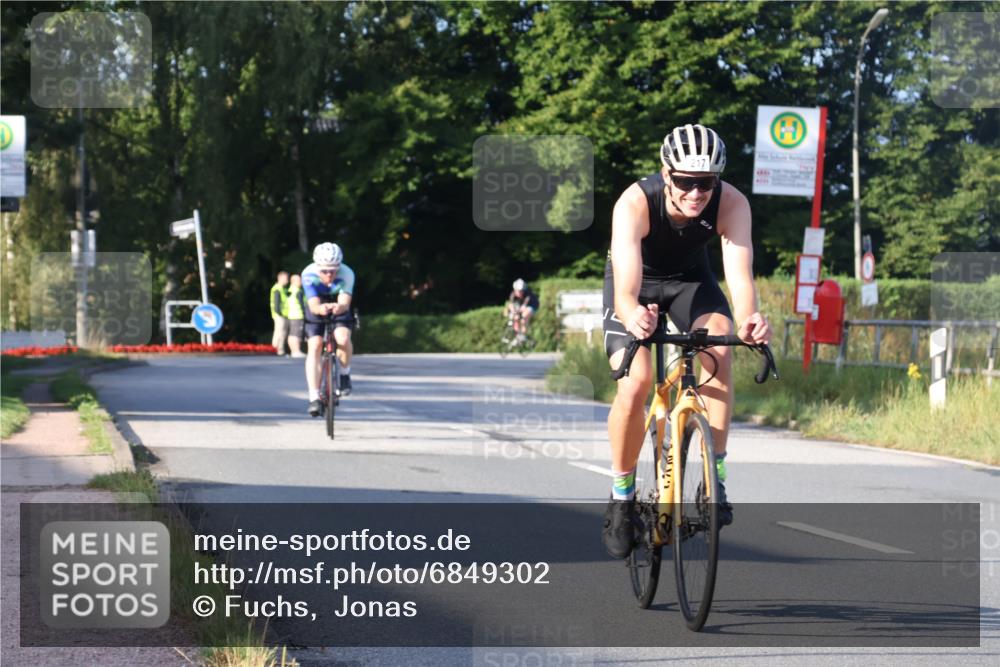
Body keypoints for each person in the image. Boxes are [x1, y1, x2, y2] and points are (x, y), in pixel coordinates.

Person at [601, 123, 772, 559]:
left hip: (691, 283)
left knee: (719, 346)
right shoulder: (635, 202)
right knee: (636, 382)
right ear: (666, 173)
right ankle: (622, 497)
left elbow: (739, 275)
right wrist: (632, 313)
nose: (696, 193)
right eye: (685, 182)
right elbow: (624, 290)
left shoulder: (731, 203)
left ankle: (715, 478)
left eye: (707, 183)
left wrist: (750, 318)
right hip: (635, 284)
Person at [302, 242, 356, 416]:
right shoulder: (308, 274)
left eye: (333, 270)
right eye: (324, 271)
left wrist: (338, 307)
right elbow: (313, 304)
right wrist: (320, 309)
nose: (329, 274)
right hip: (317, 304)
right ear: (317, 267)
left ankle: (344, 373)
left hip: (339, 304)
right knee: (315, 344)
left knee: (342, 338)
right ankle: (314, 397)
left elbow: (345, 303)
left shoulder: (347, 274)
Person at [270, 271, 290, 356]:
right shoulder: (277, 288)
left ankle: (280, 350)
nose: (287, 281)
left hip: (283, 314)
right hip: (279, 315)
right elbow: (276, 303)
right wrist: (279, 313)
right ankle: (275, 349)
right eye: (286, 278)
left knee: (283, 333)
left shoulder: (282, 289)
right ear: (280, 278)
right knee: (279, 332)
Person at [286, 274, 306, 358]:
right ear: (293, 281)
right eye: (299, 280)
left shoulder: (289, 290)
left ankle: (293, 351)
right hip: (298, 315)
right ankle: (296, 351)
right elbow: (302, 304)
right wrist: (306, 313)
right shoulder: (298, 291)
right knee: (296, 334)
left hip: (291, 314)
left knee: (292, 334)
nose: (301, 282)